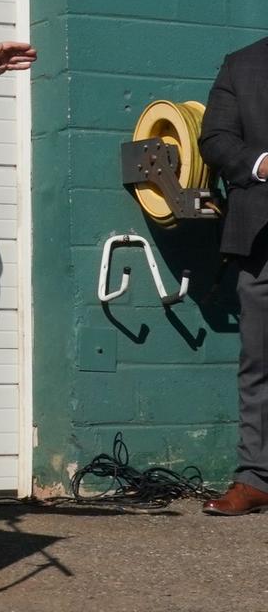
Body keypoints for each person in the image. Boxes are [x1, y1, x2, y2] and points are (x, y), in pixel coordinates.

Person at [199, 37, 268, 516]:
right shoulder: (242, 64)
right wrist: (261, 163)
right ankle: (256, 478)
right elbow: (216, 138)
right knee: (259, 362)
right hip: (263, 237)